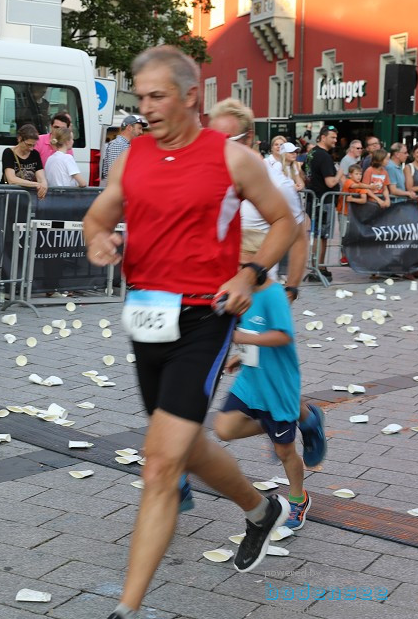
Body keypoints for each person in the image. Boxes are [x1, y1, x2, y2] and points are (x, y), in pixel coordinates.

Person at [83, 46, 298, 619]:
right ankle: (260, 510)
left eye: (156, 96)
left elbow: (285, 220)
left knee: (159, 465)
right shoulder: (132, 157)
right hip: (146, 320)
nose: (145, 107)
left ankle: (127, 609)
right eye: (140, 96)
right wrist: (99, 239)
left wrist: (251, 273)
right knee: (184, 447)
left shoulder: (231, 159)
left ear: (189, 97)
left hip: (206, 319)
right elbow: (99, 215)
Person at [215, 273, 316, 531]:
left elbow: (283, 336)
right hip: (251, 380)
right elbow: (251, 328)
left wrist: (242, 340)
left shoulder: (273, 295)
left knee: (285, 452)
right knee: (225, 429)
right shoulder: (241, 291)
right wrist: (241, 355)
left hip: (277, 385)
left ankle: (298, 498)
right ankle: (296, 417)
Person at [209, 99, 308, 303]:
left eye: (228, 140)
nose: (218, 149)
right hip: (210, 288)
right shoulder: (206, 177)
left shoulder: (277, 184)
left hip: (256, 291)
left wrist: (291, 289)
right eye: (212, 140)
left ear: (249, 138)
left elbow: (298, 238)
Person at [304, 125, 343, 279]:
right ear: (323, 137)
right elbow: (330, 182)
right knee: (323, 235)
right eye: (332, 137)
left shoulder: (311, 153)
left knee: (317, 235)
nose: (335, 141)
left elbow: (304, 174)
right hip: (323, 201)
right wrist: (340, 173)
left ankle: (316, 266)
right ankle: (320, 267)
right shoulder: (324, 156)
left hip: (313, 200)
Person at [0, 124, 48, 199]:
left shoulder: (35, 154)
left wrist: (43, 184)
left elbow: (41, 177)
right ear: (19, 139)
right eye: (28, 145)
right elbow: (11, 179)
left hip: (26, 197)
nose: (31, 148)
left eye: (33, 145)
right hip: (8, 196)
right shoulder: (8, 152)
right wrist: (36, 184)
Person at [101, 115, 144, 186]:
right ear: (129, 128)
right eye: (139, 128)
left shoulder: (125, 144)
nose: (141, 132)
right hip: (118, 189)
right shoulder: (118, 144)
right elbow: (114, 173)